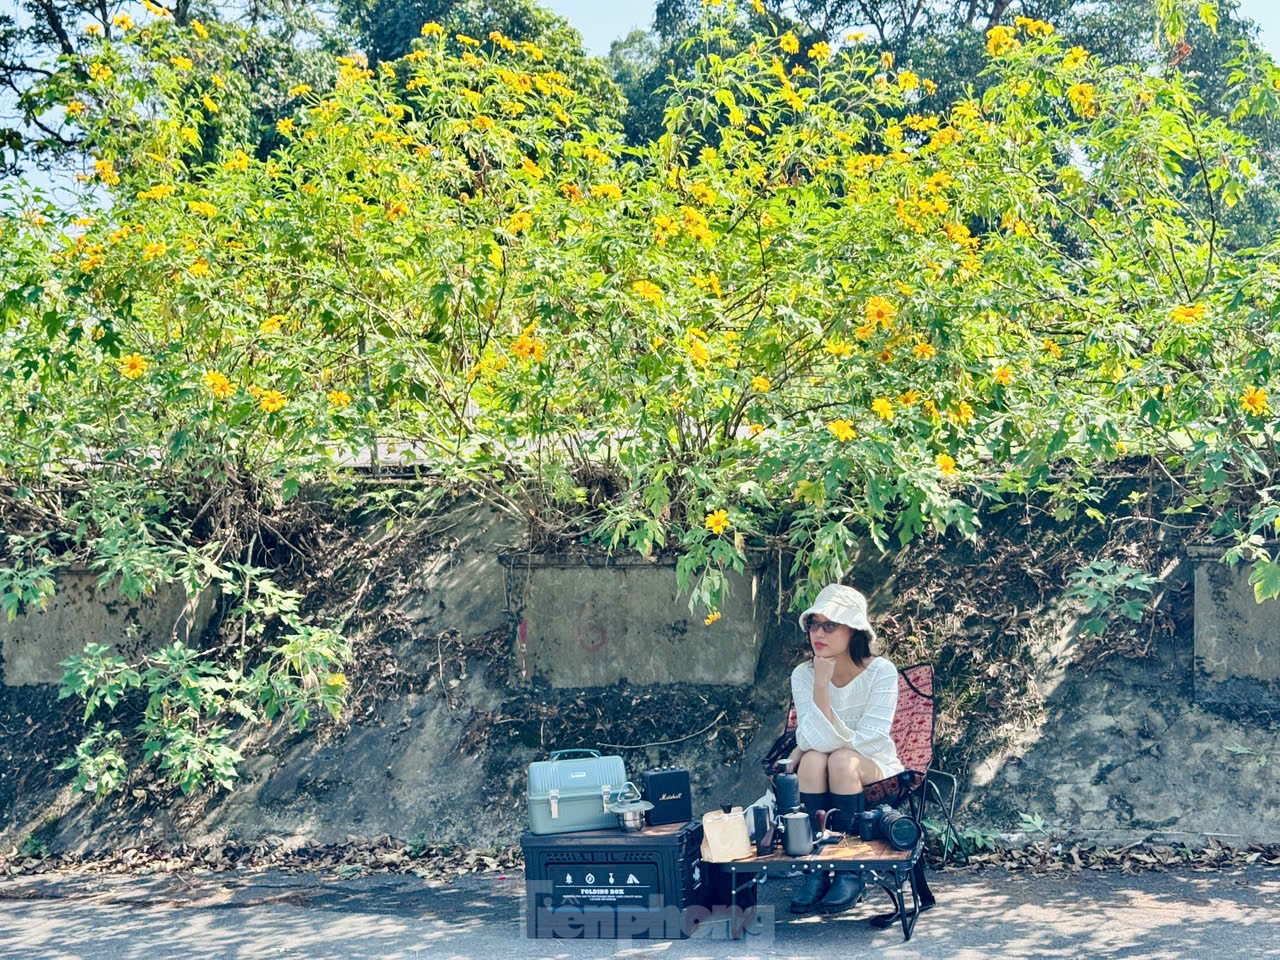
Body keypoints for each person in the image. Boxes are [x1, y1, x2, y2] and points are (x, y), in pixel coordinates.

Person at [782, 582, 904, 915]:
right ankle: (817, 868)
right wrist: (821, 684)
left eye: (830, 625)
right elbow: (808, 737)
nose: (818, 633)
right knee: (812, 762)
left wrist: (804, 746)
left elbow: (872, 737)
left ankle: (850, 870)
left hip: (873, 762)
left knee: (837, 760)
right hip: (831, 761)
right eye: (814, 624)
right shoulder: (804, 674)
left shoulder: (881, 672)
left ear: (854, 631)